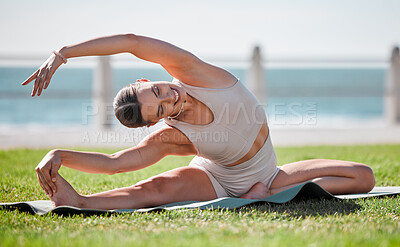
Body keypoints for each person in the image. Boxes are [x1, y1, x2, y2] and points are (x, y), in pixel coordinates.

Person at [22, 34, 375, 210]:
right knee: (153, 192)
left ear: (147, 80)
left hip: (268, 172)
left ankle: (267, 194)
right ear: (153, 123)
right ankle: (79, 202)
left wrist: (62, 54)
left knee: (364, 177)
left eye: (158, 91)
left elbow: (131, 42)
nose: (169, 98)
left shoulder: (192, 72)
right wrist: (61, 155)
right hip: (218, 179)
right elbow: (117, 164)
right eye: (159, 110)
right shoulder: (171, 136)